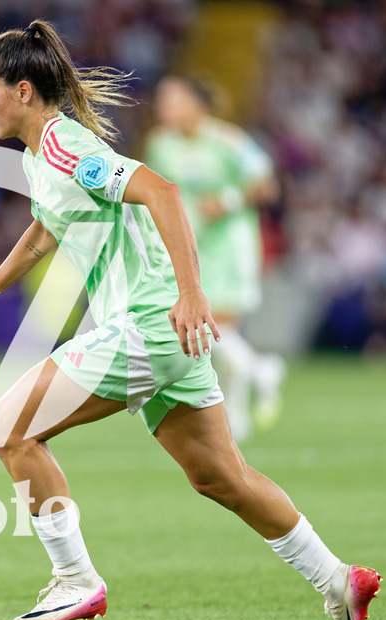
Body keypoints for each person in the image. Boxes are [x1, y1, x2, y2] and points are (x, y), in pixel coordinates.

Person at [0, 19, 380, 620]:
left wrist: (191, 296)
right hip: (162, 335)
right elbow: (44, 229)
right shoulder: (43, 158)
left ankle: (75, 579)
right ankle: (337, 578)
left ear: (25, 90)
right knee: (222, 477)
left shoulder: (70, 150)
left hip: (148, 324)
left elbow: (164, 193)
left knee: (8, 428)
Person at [145, 75, 285, 440]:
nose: (165, 107)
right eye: (163, 99)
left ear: (197, 103)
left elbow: (267, 184)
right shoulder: (160, 145)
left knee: (214, 327)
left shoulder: (228, 141)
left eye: (174, 99)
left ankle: (246, 395)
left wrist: (226, 201)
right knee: (211, 332)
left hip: (230, 246)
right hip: (190, 246)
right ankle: (254, 384)